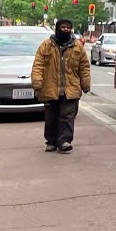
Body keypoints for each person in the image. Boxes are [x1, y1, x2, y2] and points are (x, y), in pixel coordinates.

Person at [30, 18, 91, 153]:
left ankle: (64, 141)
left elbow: (84, 67)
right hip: (50, 89)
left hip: (71, 89)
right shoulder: (46, 45)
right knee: (51, 118)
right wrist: (37, 81)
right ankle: (51, 141)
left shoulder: (77, 46)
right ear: (57, 28)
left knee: (67, 116)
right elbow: (38, 65)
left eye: (68, 28)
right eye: (63, 27)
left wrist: (85, 85)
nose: (66, 30)